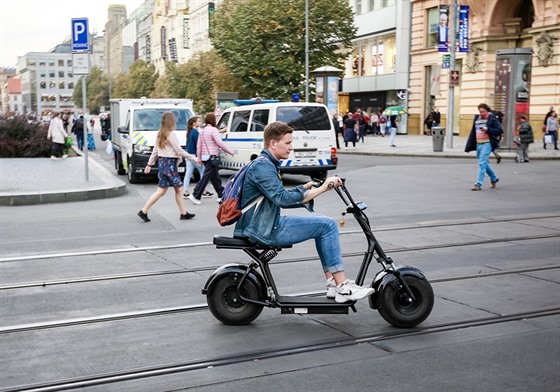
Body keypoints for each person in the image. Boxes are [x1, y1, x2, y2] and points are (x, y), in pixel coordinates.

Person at [234, 121, 375, 303]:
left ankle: (333, 282)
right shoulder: (263, 166)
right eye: (288, 143)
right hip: (264, 229)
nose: (291, 148)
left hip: (265, 223)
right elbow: (282, 199)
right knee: (327, 225)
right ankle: (342, 287)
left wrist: (302, 189)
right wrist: (324, 187)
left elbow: (278, 196)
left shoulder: (267, 163)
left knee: (322, 223)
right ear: (273, 144)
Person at [138, 112, 198, 222]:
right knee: (178, 189)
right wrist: (193, 158)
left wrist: (149, 164)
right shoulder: (171, 135)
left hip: (162, 164)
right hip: (170, 165)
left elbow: (155, 151)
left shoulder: (160, 134)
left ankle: (144, 211)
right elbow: (179, 150)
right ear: (171, 122)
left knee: (162, 191)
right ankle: (183, 213)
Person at [188, 113, 235, 205]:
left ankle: (221, 195)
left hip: (205, 156)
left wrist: (199, 157)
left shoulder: (202, 130)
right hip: (212, 156)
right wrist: (230, 151)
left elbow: (199, 145)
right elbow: (219, 143)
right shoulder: (214, 130)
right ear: (213, 120)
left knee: (215, 177)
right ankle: (195, 195)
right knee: (206, 177)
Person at [464, 103, 501, 191]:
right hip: (478, 143)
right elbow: (473, 131)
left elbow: (498, 130)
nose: (481, 113)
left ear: (487, 111)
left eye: (483, 112)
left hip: (487, 143)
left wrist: (488, 129)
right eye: (480, 112)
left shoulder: (492, 118)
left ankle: (478, 184)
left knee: (481, 163)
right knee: (484, 163)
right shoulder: (476, 118)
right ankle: (494, 178)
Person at [182, 116, 213, 199]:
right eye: (198, 121)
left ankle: (185, 191)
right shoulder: (195, 133)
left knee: (188, 173)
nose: (200, 122)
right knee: (203, 171)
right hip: (194, 155)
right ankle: (203, 190)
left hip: (188, 155)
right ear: (194, 123)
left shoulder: (189, 132)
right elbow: (198, 145)